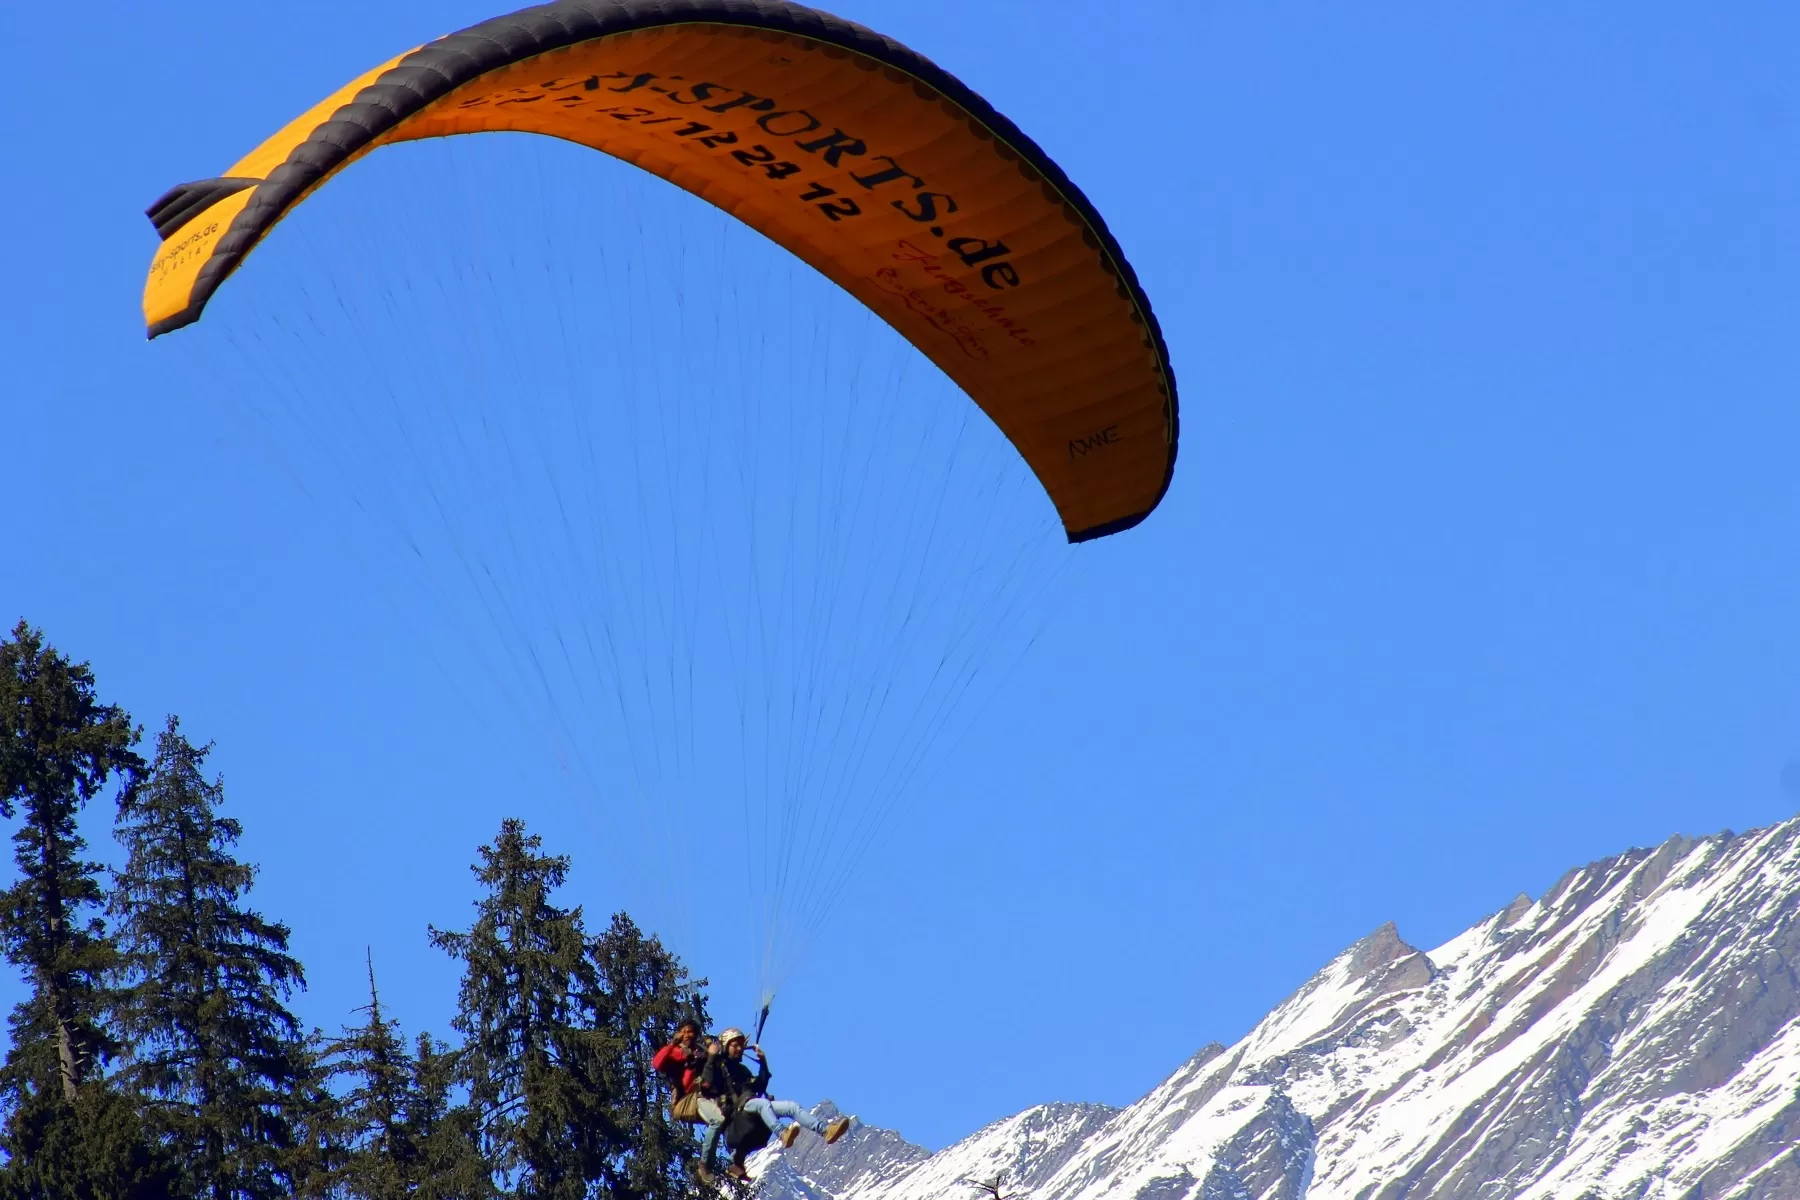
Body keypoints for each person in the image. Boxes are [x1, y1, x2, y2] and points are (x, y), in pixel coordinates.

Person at [702, 1027, 850, 1179]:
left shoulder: (743, 1070)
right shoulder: (719, 1067)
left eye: (741, 1045)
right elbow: (707, 1084)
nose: (739, 1049)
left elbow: (759, 1086)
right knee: (762, 1104)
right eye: (735, 1045)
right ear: (726, 1046)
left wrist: (763, 1063)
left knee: (791, 1107)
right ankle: (782, 1133)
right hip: (737, 1113)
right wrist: (712, 1057)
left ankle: (826, 1131)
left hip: (751, 1107)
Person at [653, 1019, 727, 1182]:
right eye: (684, 1031)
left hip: (699, 1099)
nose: (687, 1035)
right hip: (684, 1102)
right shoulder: (674, 1052)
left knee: (725, 1119)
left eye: (690, 1032)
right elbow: (657, 1063)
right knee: (716, 1120)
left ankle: (736, 1159)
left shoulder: (700, 1054)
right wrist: (673, 1043)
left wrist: (712, 1056)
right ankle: (705, 1164)